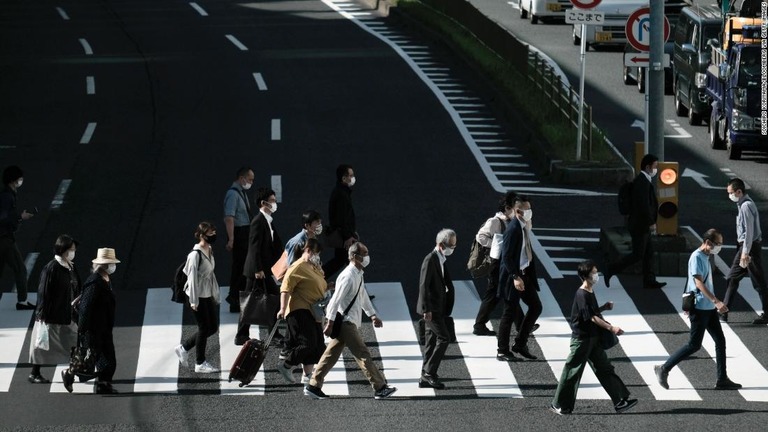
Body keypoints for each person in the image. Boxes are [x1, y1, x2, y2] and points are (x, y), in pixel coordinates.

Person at [305, 241, 397, 400]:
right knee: (363, 354)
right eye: (365, 254)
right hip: (346, 322)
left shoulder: (358, 274)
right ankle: (380, 387)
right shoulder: (348, 276)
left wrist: (372, 315)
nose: (367, 257)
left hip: (349, 321)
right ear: (355, 257)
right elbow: (335, 300)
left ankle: (313, 385)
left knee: (330, 355)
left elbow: (362, 296)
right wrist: (330, 322)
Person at [655, 229, 742, 391]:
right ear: (708, 242)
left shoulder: (706, 256)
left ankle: (722, 379)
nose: (719, 247)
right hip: (700, 307)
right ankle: (664, 368)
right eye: (718, 244)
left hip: (708, 308)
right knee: (694, 345)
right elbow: (698, 283)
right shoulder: (696, 257)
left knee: (720, 341)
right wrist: (716, 301)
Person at [550, 260, 638, 415]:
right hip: (582, 339)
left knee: (605, 369)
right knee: (572, 371)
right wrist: (611, 328)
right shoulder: (582, 293)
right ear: (585, 276)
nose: (596, 275)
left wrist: (604, 307)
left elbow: (591, 312)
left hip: (593, 338)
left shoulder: (589, 291)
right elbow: (591, 317)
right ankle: (559, 404)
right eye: (594, 272)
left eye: (596, 271)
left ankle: (620, 401)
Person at [472, 192, 537, 337]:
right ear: (508, 208)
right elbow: (480, 237)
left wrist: (527, 220)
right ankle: (481, 325)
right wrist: (498, 246)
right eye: (513, 208)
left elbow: (527, 231)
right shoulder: (495, 221)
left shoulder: (516, 222)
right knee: (499, 295)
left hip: (507, 264)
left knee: (503, 295)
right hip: (498, 264)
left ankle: (481, 325)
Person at [62, 247, 120, 394]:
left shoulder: (105, 279)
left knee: (107, 358)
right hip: (92, 328)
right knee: (87, 360)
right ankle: (69, 373)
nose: (114, 267)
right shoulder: (94, 282)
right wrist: (82, 328)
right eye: (111, 264)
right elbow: (86, 306)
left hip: (103, 327)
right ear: (105, 266)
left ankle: (103, 385)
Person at [605, 154, 667, 290]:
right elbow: (643, 205)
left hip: (641, 224)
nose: (656, 169)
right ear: (647, 167)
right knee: (638, 254)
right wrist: (651, 222)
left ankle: (649, 280)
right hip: (640, 225)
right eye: (655, 166)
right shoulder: (642, 183)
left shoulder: (644, 181)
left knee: (648, 253)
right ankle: (611, 269)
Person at [28, 235, 81, 384]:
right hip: (53, 314)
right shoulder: (52, 268)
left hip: (68, 311)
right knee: (42, 344)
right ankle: (34, 373)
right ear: (63, 250)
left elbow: (77, 286)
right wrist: (41, 315)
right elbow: (43, 292)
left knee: (75, 339)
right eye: (71, 250)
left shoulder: (70, 266)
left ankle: (76, 370)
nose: (73, 252)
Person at [496, 195, 542, 361]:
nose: (530, 212)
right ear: (517, 211)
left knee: (536, 307)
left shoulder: (522, 226)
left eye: (530, 208)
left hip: (523, 274)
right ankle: (502, 350)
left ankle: (520, 343)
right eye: (526, 209)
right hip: (513, 277)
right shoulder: (513, 229)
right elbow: (506, 257)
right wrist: (515, 277)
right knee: (509, 313)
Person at [276, 238, 327, 385]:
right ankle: (287, 365)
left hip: (313, 310)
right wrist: (282, 309)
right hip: (299, 309)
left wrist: (327, 286)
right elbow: (285, 289)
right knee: (307, 342)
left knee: (317, 345)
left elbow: (317, 284)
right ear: (308, 250)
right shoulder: (297, 267)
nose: (318, 256)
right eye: (316, 253)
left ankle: (307, 375)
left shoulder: (312, 266)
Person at [236, 187, 283, 345]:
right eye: (273, 201)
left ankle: (245, 334)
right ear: (264, 203)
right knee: (256, 301)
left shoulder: (268, 221)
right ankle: (269, 335)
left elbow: (275, 245)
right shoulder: (258, 221)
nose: (275, 203)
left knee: (264, 300)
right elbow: (254, 246)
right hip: (256, 271)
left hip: (264, 269)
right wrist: (258, 269)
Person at [174, 222, 221, 373]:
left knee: (212, 327)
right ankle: (200, 363)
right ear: (201, 235)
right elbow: (192, 278)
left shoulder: (209, 249)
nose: (213, 236)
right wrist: (194, 301)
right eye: (210, 234)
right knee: (204, 327)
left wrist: (214, 293)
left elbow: (210, 274)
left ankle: (184, 347)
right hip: (196, 295)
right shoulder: (195, 255)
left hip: (206, 293)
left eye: (214, 233)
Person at [722, 178, 767, 324]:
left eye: (731, 193)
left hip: (750, 248)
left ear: (739, 191)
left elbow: (749, 232)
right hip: (746, 247)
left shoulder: (746, 206)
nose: (730, 196)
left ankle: (767, 314)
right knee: (732, 277)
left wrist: (745, 252)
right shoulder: (741, 204)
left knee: (758, 283)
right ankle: (724, 311)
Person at [416, 229, 456, 390]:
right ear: (440, 245)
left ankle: (424, 377)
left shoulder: (440, 258)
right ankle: (429, 373)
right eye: (450, 245)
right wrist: (426, 309)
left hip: (438, 307)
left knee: (431, 342)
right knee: (444, 338)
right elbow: (423, 285)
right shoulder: (430, 259)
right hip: (431, 309)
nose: (452, 248)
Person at [0, 165, 36, 310]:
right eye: (19, 179)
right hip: (4, 239)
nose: (21, 181)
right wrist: (20, 217)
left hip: (3, 238)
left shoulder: (7, 195)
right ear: (13, 180)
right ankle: (22, 301)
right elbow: (3, 217)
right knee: (20, 269)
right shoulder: (7, 197)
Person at [223, 167, 254, 313]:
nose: (251, 182)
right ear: (242, 178)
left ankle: (236, 299)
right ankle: (234, 298)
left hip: (244, 233)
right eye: (250, 179)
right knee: (241, 268)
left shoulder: (240, 193)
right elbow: (229, 217)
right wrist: (231, 239)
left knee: (242, 267)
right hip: (240, 233)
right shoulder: (233, 194)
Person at [322, 164, 358, 279]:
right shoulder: (341, 194)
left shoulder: (341, 192)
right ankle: (315, 281)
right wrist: (348, 236)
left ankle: (359, 292)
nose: (353, 178)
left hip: (344, 234)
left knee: (345, 262)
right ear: (344, 178)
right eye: (351, 175)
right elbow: (341, 219)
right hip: (344, 236)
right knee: (346, 262)